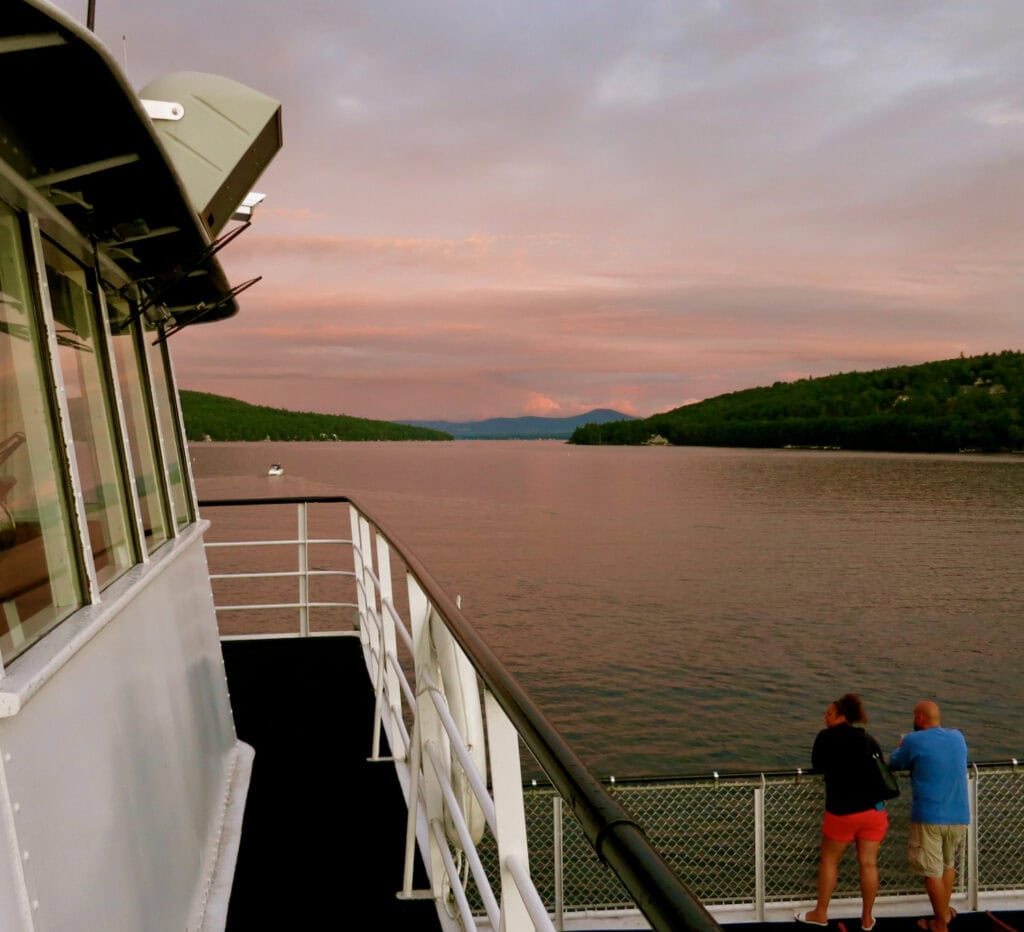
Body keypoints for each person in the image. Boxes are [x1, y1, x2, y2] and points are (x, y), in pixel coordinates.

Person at [796, 693, 890, 932]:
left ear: (840, 716)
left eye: (828, 713)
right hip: (873, 811)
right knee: (868, 864)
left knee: (829, 860)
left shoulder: (826, 738)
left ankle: (820, 913)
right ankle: (867, 918)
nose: (825, 717)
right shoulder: (867, 739)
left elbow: (818, 765)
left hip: (842, 811)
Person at [889, 700, 969, 932]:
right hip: (959, 815)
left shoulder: (914, 740)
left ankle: (940, 924)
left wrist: (902, 744)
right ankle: (944, 913)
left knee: (931, 870)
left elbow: (895, 762)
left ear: (920, 719)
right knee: (948, 864)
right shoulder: (958, 737)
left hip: (930, 816)